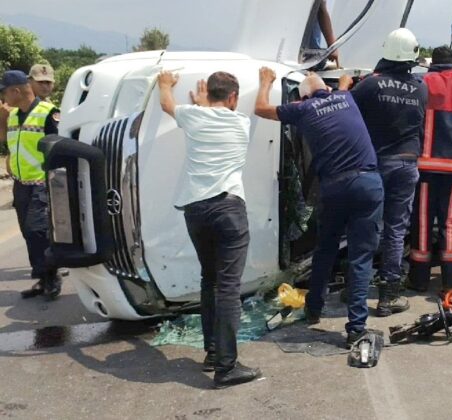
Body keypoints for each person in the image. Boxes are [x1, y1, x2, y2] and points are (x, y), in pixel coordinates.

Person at [255, 69, 383, 347]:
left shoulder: (303, 109)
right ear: (327, 88)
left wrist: (266, 82)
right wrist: (341, 76)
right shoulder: (346, 97)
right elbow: (345, 83)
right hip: (368, 183)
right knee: (361, 257)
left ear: (302, 98)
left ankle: (314, 307)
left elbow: (261, 109)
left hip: (334, 187)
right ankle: (356, 328)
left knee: (326, 248)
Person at [158, 70, 261, 389]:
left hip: (195, 210)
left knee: (210, 279)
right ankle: (227, 368)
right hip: (228, 209)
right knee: (229, 286)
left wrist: (165, 84)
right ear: (232, 98)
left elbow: (167, 104)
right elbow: (210, 112)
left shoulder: (192, 117)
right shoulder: (240, 123)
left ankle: (214, 354)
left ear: (210, 95)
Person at [339, 28, 428, 317]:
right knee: (395, 230)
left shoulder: (369, 85)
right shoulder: (420, 87)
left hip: (375, 165)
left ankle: (356, 288)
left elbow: (343, 110)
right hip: (406, 165)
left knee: (365, 227)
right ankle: (388, 296)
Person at [406, 46, 452, 293]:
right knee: (451, 223)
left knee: (423, 222)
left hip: (425, 167)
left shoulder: (422, 83)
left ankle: (419, 279)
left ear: (432, 64)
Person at [0, 70, 62, 300]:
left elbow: (60, 146)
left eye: (4, 92)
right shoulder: (14, 115)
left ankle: (52, 276)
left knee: (38, 230)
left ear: (16, 90)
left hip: (41, 183)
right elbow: (7, 142)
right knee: (28, 232)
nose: (3, 97)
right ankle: (42, 279)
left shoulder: (49, 113)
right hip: (21, 184)